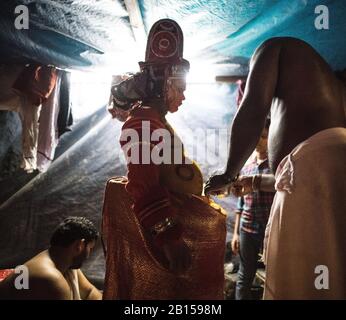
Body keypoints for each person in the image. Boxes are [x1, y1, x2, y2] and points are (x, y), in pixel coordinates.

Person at [205, 37, 346, 299]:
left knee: (300, 279)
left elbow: (253, 108)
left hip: (311, 167)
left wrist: (228, 174)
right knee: (333, 267)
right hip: (333, 166)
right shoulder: (329, 83)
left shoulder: (273, 48)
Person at [102, 19, 226, 300]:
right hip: (165, 244)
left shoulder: (155, 121)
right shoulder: (143, 123)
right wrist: (170, 238)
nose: (184, 95)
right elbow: (142, 183)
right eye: (179, 87)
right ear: (164, 85)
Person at [0, 217, 102, 300]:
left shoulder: (65, 264)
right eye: (90, 248)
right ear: (79, 245)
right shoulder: (51, 279)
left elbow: (90, 292)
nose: (89, 253)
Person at [230, 120, 275, 300]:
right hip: (247, 229)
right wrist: (235, 234)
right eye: (256, 136)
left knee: (273, 276)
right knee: (244, 275)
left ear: (272, 137)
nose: (259, 141)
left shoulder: (277, 167)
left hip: (270, 230)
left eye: (263, 137)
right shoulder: (246, 167)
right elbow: (240, 205)